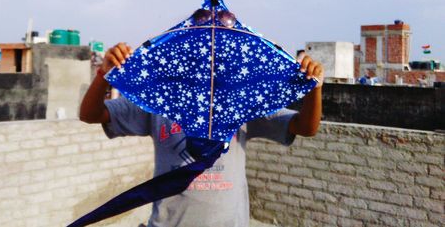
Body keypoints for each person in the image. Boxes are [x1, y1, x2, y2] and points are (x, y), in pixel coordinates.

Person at [79, 42, 324, 227]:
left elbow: (305, 127)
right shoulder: (160, 99)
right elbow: (91, 114)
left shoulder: (240, 103)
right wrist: (104, 75)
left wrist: (315, 89)